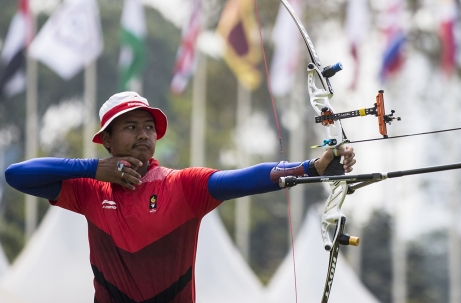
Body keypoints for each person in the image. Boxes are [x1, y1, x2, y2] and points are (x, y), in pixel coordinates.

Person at [4, 91, 356, 303]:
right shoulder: (88, 190)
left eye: (149, 128)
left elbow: (245, 179)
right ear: (107, 141)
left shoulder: (182, 186)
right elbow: (16, 175)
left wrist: (310, 167)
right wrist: (93, 168)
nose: (143, 135)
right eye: (130, 127)